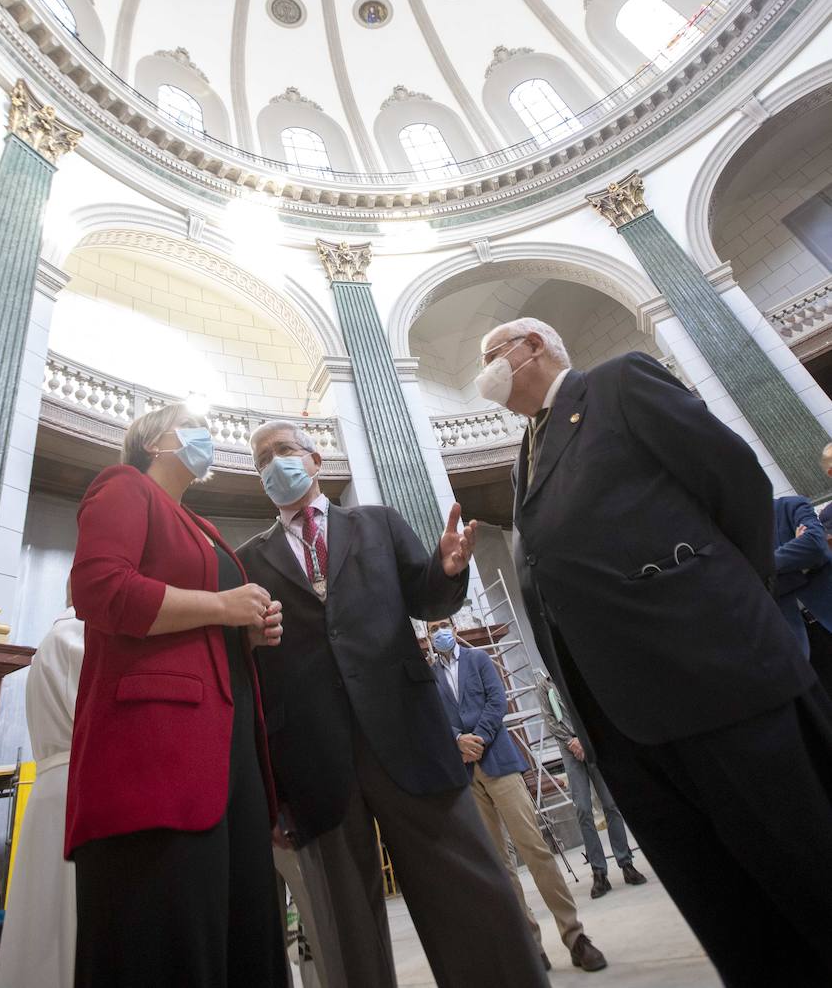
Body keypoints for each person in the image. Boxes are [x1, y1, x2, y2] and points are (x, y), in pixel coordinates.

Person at [476, 317, 832, 988]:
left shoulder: (616, 385)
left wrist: (727, 598)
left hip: (716, 674)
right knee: (727, 905)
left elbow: (736, 482)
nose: (483, 369)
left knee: (804, 865)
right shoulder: (524, 451)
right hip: (623, 719)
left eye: (491, 353)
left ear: (535, 347)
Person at [239, 419, 550, 988]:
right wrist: (271, 791)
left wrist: (448, 571)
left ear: (314, 460)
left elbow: (425, 592)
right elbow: (252, 681)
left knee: (470, 897)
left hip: (410, 736)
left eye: (283, 451)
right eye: (261, 460)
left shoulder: (375, 523)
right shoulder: (247, 562)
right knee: (346, 931)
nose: (272, 464)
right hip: (313, 763)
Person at [66, 403, 288, 988]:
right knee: (165, 943)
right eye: (190, 425)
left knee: (243, 939)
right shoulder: (124, 486)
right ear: (154, 442)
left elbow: (202, 628)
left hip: (227, 747)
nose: (205, 436)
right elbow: (100, 588)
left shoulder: (201, 525)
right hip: (158, 751)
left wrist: (248, 631)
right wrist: (221, 606)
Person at [427, 619, 606, 973]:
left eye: (442, 625)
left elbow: (498, 701)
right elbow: (430, 717)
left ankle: (575, 936)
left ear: (454, 625)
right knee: (498, 864)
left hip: (499, 762)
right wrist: (455, 741)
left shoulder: (478, 660)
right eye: (432, 628)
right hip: (465, 775)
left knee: (535, 850)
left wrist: (476, 737)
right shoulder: (429, 676)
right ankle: (528, 945)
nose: (439, 633)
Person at [0, 592, 84, 988]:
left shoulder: (52, 640)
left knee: (43, 920)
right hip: (78, 788)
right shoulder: (77, 638)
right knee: (67, 924)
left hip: (52, 790)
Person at [535, 669, 646, 899]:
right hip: (569, 749)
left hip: (592, 743)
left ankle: (625, 862)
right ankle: (599, 872)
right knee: (583, 809)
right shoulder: (544, 686)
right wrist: (572, 741)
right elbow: (550, 721)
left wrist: (585, 739)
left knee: (610, 804)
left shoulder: (574, 674)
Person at [773, 494, 832, 654]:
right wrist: (800, 566)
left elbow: (816, 546)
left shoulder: (790, 506)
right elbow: (751, 584)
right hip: (796, 642)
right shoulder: (734, 539)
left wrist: (764, 566)